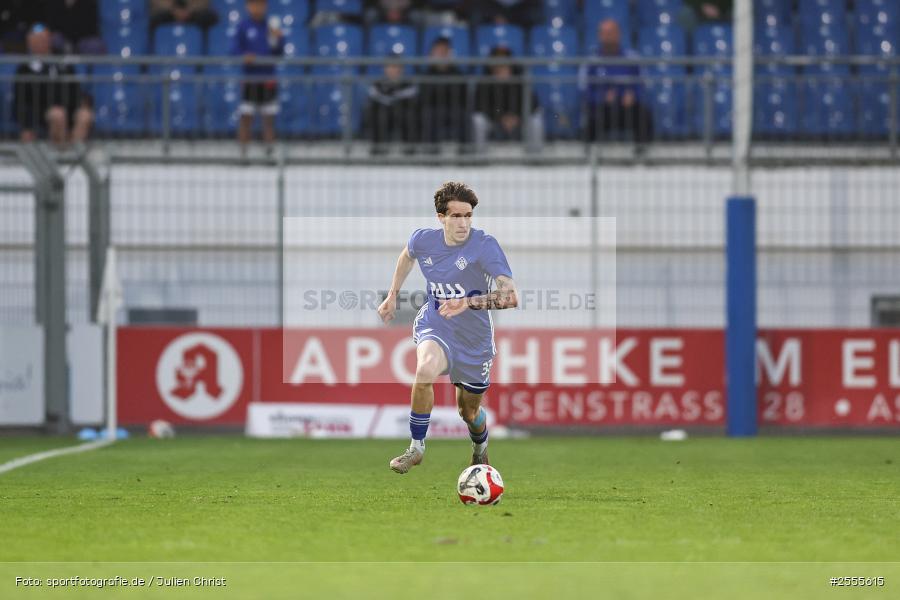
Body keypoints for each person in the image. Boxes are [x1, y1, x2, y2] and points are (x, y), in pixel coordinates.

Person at [378, 181, 518, 474]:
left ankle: (480, 449)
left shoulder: (484, 245)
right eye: (456, 216)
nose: (463, 223)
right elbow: (407, 256)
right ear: (441, 217)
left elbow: (510, 297)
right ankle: (416, 448)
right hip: (437, 322)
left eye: (468, 216)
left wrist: (467, 302)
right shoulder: (423, 240)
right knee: (425, 369)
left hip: (475, 339)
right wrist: (392, 295)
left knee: (469, 412)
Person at [13, 23, 94, 145]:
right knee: (57, 114)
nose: (40, 44)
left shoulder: (62, 61)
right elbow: (20, 101)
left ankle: (74, 150)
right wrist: (26, 127)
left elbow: (75, 88)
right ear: (29, 44)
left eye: (43, 40)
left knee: (85, 115)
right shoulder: (24, 68)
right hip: (41, 113)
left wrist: (82, 104)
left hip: (69, 108)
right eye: (36, 41)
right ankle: (61, 151)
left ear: (49, 40)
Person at [580, 19, 653, 144]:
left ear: (619, 34)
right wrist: (601, 97)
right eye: (604, 33)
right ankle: (589, 152)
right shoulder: (591, 62)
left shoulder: (632, 58)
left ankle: (642, 151)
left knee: (643, 114)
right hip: (602, 109)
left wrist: (633, 95)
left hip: (627, 109)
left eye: (611, 32)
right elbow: (583, 89)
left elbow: (644, 84)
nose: (608, 36)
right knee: (590, 117)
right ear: (599, 36)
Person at [232, 0, 285, 153]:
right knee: (246, 117)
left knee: (268, 119)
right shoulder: (243, 26)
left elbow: (279, 53)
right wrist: (244, 56)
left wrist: (278, 40)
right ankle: (243, 152)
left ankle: (269, 152)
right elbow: (234, 50)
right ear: (248, 6)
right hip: (250, 79)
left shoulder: (271, 26)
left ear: (265, 6)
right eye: (254, 4)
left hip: (268, 79)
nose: (257, 8)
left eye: (260, 4)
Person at [472, 46, 543, 153]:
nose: (500, 65)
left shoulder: (520, 79)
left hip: (518, 120)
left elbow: (533, 103)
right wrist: (501, 117)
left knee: (536, 119)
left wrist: (517, 117)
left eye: (503, 61)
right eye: (496, 61)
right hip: (494, 121)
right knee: (478, 120)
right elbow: (481, 106)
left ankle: (535, 156)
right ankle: (480, 156)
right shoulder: (484, 82)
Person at [418, 36, 468, 146]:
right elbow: (424, 98)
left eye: (444, 51)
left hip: (453, 110)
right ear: (432, 53)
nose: (441, 55)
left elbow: (462, 97)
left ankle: (464, 153)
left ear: (449, 53)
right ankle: (431, 153)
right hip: (434, 110)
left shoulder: (457, 74)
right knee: (427, 115)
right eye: (438, 51)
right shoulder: (427, 74)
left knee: (464, 116)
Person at [364, 53, 419, 152]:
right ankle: (378, 147)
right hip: (384, 115)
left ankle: (409, 148)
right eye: (390, 66)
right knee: (378, 113)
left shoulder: (408, 84)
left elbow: (410, 97)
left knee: (410, 113)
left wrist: (393, 99)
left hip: (402, 115)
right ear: (385, 69)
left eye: (396, 66)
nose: (393, 69)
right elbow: (374, 96)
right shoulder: (377, 84)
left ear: (402, 69)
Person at [149, 0, 219, 31]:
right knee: (154, 19)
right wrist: (174, 10)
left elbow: (204, 2)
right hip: (169, 13)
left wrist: (189, 10)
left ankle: (204, 52)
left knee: (208, 17)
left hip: (193, 13)